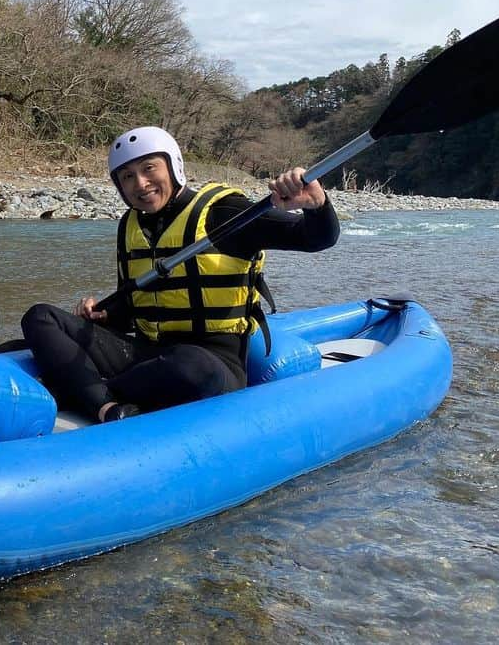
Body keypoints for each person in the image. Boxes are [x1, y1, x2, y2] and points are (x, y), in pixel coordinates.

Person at [21, 126, 340, 423]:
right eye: (127, 176)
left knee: (189, 365)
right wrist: (105, 315)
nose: (140, 184)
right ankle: (107, 406)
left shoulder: (224, 213)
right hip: (146, 355)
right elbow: (132, 307)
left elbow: (316, 238)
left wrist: (316, 204)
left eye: (149, 169)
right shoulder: (130, 226)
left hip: (212, 362)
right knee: (41, 317)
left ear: (173, 167)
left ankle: (77, 390)